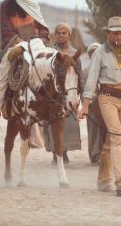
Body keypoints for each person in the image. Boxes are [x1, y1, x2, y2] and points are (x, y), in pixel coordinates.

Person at [78, 16, 121, 197]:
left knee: (111, 141)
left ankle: (103, 181)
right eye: (114, 32)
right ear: (108, 33)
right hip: (106, 98)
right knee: (118, 139)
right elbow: (91, 79)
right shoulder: (100, 52)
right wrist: (85, 105)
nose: (118, 36)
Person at [44, 23, 81, 164]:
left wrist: (80, 95)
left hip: (70, 94)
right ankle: (56, 154)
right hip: (53, 96)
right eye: (58, 33)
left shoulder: (74, 52)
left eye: (64, 33)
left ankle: (64, 153)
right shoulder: (50, 52)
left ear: (69, 35)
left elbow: (79, 75)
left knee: (69, 124)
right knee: (54, 125)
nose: (61, 35)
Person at [80, 42, 106, 165]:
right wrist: (91, 101)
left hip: (106, 104)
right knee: (93, 131)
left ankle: (106, 155)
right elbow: (83, 88)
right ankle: (95, 156)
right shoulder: (85, 71)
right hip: (91, 105)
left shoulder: (106, 69)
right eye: (92, 53)